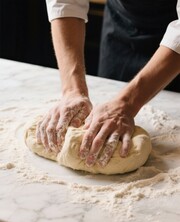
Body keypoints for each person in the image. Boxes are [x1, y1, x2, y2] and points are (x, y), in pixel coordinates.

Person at [36, 0, 180, 168]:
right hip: (122, 25)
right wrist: (72, 90)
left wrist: (126, 103)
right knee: (105, 123)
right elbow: (65, 2)